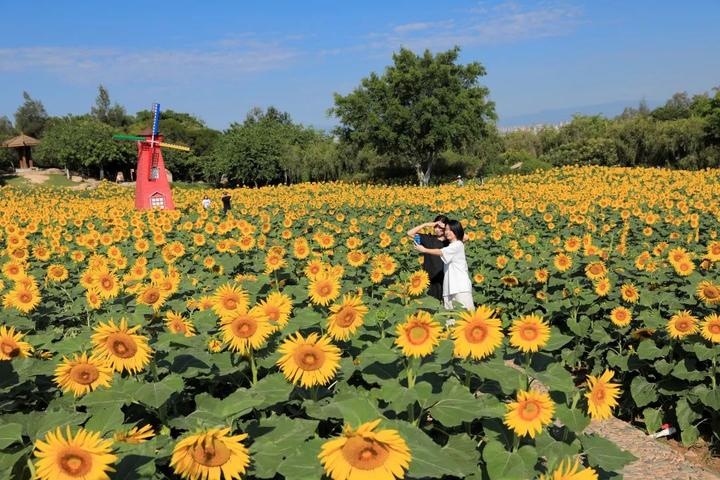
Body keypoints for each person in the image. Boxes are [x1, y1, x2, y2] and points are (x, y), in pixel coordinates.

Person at [414, 219, 474, 311]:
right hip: (449, 288)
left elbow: (441, 252)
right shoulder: (450, 245)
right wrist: (430, 224)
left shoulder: (458, 245)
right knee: (450, 320)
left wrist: (424, 250)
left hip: (460, 288)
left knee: (467, 318)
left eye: (450, 230)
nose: (447, 232)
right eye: (446, 230)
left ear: (456, 231)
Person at [407, 215, 449, 301]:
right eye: (436, 227)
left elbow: (465, 237)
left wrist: (446, 226)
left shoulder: (449, 241)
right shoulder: (428, 239)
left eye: (440, 227)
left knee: (445, 304)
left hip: (444, 277)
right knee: (430, 302)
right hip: (429, 278)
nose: (438, 229)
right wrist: (425, 224)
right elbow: (409, 233)